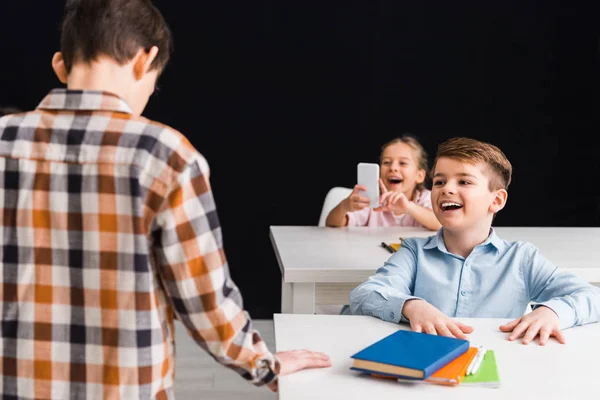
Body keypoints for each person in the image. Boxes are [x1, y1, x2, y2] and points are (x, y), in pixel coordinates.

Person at [0, 1, 329, 398]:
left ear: (61, 65)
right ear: (145, 60)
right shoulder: (165, 156)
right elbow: (206, 301)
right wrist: (265, 366)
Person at [349, 137, 600, 345]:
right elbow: (363, 295)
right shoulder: (414, 252)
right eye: (439, 181)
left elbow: (592, 296)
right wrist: (411, 306)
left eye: (464, 181)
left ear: (497, 200)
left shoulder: (521, 258)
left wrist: (552, 311)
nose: (446, 189)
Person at [326, 135, 441, 231]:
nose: (393, 168)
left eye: (402, 163)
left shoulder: (427, 198)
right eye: (387, 162)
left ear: (419, 176)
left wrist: (408, 207)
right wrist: (344, 207)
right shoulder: (370, 199)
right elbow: (331, 224)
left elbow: (441, 224)